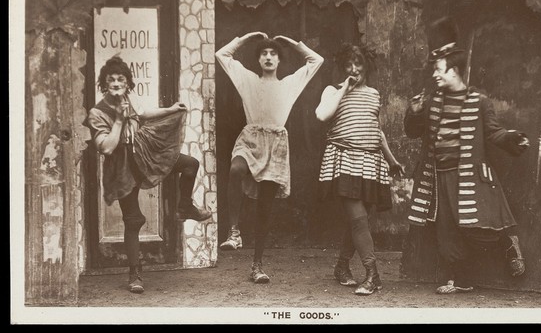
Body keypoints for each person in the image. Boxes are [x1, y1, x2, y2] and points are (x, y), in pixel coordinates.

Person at [404, 17, 529, 294]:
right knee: (446, 232)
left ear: (455, 71)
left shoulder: (479, 101)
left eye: (439, 70)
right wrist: (414, 112)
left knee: (477, 228)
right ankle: (462, 280)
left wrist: (513, 139)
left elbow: (494, 133)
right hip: (440, 177)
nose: (435, 75)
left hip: (471, 177)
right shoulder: (433, 100)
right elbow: (413, 132)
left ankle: (508, 243)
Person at [85, 56, 212, 294]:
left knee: (190, 164)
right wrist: (120, 121)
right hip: (121, 167)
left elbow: (141, 115)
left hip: (144, 153)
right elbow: (107, 147)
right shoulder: (97, 112)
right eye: (110, 79)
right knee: (133, 220)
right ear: (103, 83)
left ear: (127, 83)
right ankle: (135, 274)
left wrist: (170, 109)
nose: (115, 83)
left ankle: (185, 206)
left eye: (120, 78)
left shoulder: (125, 100)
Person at [215, 31, 324, 283]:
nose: (268, 57)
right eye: (263, 53)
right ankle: (234, 231)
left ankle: (257, 265)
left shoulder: (289, 84)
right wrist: (246, 37)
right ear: (258, 60)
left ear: (279, 60)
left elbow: (316, 61)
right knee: (235, 170)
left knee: (264, 206)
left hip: (275, 145)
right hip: (251, 138)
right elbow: (222, 54)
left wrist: (292, 42)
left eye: (273, 53)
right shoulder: (247, 79)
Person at [315, 43, 403, 295]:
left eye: (359, 63)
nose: (354, 69)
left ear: (367, 65)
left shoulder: (374, 94)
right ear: (343, 67)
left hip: (370, 163)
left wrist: (392, 160)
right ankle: (372, 274)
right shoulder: (332, 91)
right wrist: (344, 88)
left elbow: (376, 130)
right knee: (358, 218)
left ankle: (342, 267)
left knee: (358, 220)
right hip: (343, 160)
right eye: (349, 64)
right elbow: (322, 115)